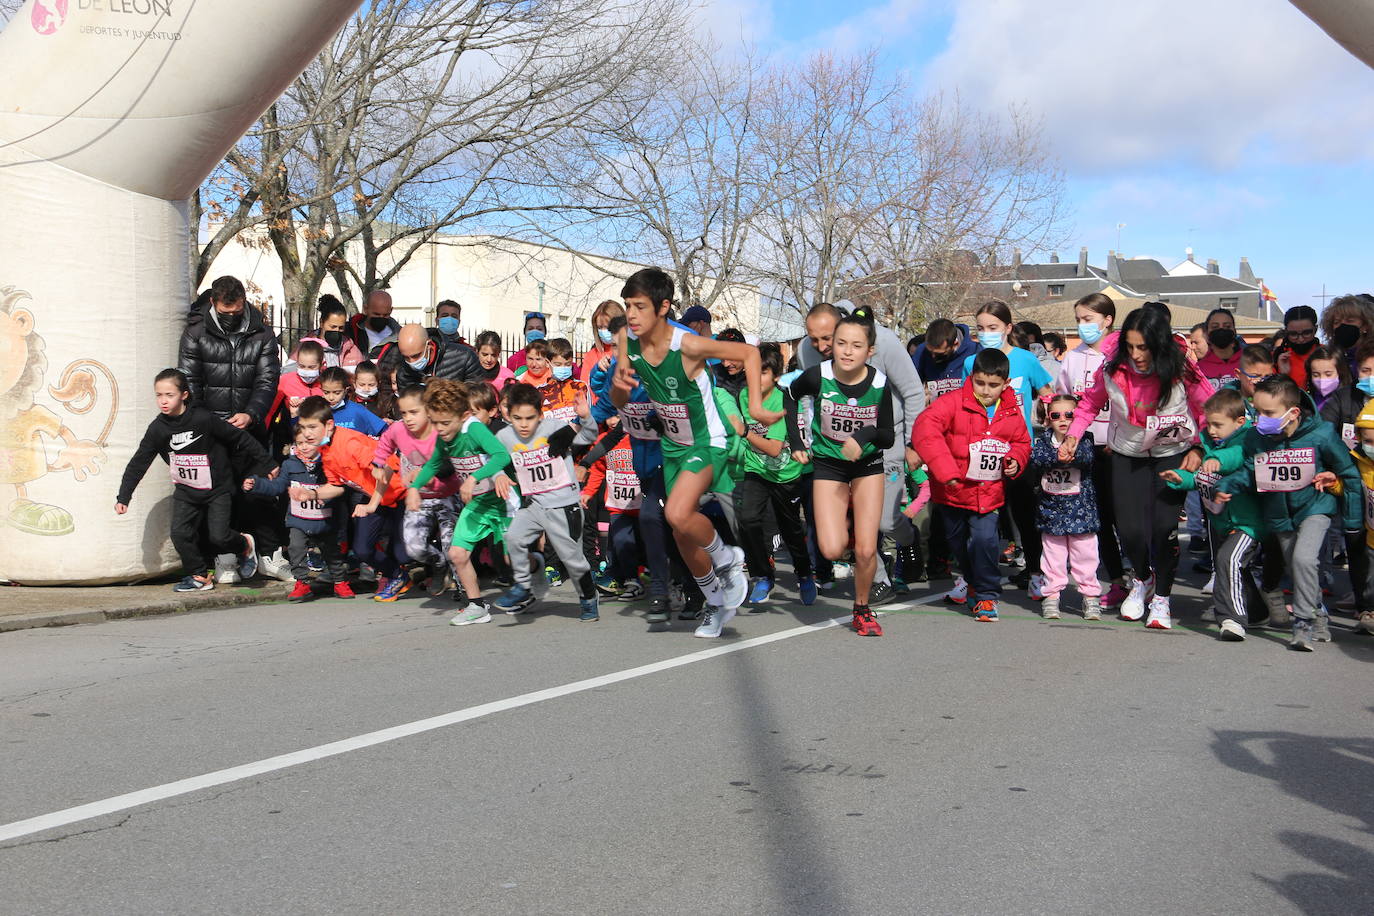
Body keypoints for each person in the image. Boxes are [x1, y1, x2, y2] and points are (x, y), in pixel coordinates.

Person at [613, 268, 769, 639]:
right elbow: (618, 399)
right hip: (673, 445)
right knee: (681, 531)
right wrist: (619, 388)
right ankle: (716, 603)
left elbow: (748, 354)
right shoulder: (626, 339)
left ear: (663, 307)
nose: (631, 315)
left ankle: (728, 557)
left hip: (707, 440)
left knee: (678, 512)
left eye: (639, 306)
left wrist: (757, 408)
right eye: (627, 306)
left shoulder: (689, 346)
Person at [1061, 306, 1213, 629]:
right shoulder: (1113, 368)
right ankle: (1142, 580)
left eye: (1143, 347)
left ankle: (1163, 599)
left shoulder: (1182, 368)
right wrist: (1073, 435)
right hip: (1127, 452)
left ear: (1159, 344)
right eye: (1130, 346)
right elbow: (1088, 403)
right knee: (1129, 530)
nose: (1136, 354)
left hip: (1171, 452)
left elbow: (1208, 408)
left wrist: (1200, 447)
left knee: (1162, 528)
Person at [1216, 375, 1362, 650]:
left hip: (1315, 508)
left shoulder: (1322, 434)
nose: (1260, 419)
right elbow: (1250, 469)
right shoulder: (1256, 436)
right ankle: (1318, 612)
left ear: (1293, 412)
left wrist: (1352, 523)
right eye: (1256, 411)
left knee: (1304, 559)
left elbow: (1348, 475)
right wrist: (1226, 485)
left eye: (1268, 413)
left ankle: (1303, 623)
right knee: (1296, 568)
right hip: (1279, 515)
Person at [796, 301, 926, 603]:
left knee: (884, 520)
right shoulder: (806, 350)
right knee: (850, 521)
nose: (821, 346)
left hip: (885, 439)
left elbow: (912, 391)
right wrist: (808, 439)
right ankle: (879, 576)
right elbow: (807, 396)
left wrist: (912, 442)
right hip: (834, 447)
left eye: (828, 338)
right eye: (814, 338)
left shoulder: (882, 342)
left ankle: (907, 538)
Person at [785, 310, 894, 635]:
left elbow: (887, 435)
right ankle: (850, 521)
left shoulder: (879, 383)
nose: (847, 351)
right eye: (841, 343)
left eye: (856, 345)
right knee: (831, 549)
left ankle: (862, 608)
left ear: (869, 351)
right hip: (830, 466)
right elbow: (789, 396)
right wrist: (796, 441)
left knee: (864, 548)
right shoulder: (818, 375)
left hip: (867, 467)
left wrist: (862, 436)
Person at [115, 369, 269, 592]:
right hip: (187, 490)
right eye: (159, 395)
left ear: (184, 395)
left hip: (217, 488)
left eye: (169, 395)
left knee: (219, 536)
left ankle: (245, 544)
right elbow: (139, 462)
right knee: (180, 533)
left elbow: (239, 437)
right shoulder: (158, 429)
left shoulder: (203, 419)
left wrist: (268, 463)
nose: (163, 401)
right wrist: (124, 496)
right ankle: (199, 576)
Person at [178, 275, 287, 582]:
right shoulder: (195, 332)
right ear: (213, 303)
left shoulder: (262, 333)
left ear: (243, 302)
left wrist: (251, 414)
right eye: (225, 313)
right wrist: (205, 422)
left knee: (258, 493)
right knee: (219, 496)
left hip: (249, 428)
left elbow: (267, 380)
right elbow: (190, 381)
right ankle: (225, 557)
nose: (231, 317)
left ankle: (269, 555)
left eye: (236, 311)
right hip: (211, 430)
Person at [914, 348, 1030, 621]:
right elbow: (925, 428)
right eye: (980, 383)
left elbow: (1021, 442)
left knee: (984, 540)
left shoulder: (1012, 410)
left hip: (988, 493)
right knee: (958, 544)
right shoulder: (952, 403)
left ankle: (987, 596)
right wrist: (944, 469)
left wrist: (1015, 459)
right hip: (952, 490)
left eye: (993, 385)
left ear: (1005, 383)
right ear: (971, 377)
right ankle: (972, 581)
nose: (986, 390)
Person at [963, 300, 1054, 599]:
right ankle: (976, 575)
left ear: (1008, 328)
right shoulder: (970, 363)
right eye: (981, 329)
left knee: (1024, 513)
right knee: (982, 514)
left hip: (1018, 447)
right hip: (982, 447)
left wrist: (1050, 416)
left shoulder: (1026, 360)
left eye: (993, 328)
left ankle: (1036, 571)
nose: (986, 333)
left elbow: (1047, 391)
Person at [405, 380, 514, 626]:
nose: (440, 429)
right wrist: (414, 488)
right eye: (434, 422)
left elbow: (501, 456)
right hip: (478, 504)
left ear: (464, 416)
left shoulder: (474, 429)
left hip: (503, 500)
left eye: (445, 423)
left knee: (511, 560)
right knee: (457, 553)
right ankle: (476, 606)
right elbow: (433, 464)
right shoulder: (445, 436)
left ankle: (534, 573)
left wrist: (473, 478)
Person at [491, 382, 600, 621]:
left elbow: (589, 436)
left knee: (573, 561)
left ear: (540, 414)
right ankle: (523, 586)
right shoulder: (506, 436)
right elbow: (494, 459)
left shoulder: (555, 427)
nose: (523, 424)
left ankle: (588, 596)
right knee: (513, 538)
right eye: (517, 418)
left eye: (529, 418)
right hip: (534, 505)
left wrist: (586, 417)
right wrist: (498, 475)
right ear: (509, 415)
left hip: (564, 505)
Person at [1162, 388, 1260, 640]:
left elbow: (1236, 456)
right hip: (1219, 520)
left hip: (1247, 522)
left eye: (1218, 425)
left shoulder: (1249, 438)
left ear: (1239, 422)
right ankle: (1259, 610)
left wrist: (1217, 458)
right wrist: (1180, 479)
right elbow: (1201, 477)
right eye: (1209, 424)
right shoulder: (1208, 442)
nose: (1212, 430)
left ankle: (1232, 619)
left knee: (1229, 560)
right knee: (1232, 567)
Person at [292, 396, 410, 602]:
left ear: (328, 425)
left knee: (404, 554)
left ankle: (444, 566)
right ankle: (397, 576)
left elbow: (386, 470)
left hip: (401, 496)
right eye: (302, 427)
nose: (306, 433)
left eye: (312, 427)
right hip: (375, 500)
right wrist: (312, 494)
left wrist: (372, 504)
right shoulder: (325, 448)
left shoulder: (350, 444)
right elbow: (336, 486)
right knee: (363, 549)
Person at [1056, 292, 1128, 607]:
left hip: (1121, 447)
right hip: (1085, 448)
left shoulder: (1122, 356)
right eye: (1079, 320)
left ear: (1107, 320)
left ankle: (1143, 576)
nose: (1083, 326)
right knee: (1098, 518)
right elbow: (1064, 399)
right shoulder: (1072, 358)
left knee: (1125, 518)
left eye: (1088, 319)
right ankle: (1116, 581)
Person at [736, 343, 815, 607]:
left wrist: (746, 432)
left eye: (763, 373)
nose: (756, 379)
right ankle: (763, 576)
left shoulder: (784, 400)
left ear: (776, 376)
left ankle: (804, 574)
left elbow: (772, 448)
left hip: (785, 474)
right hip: (756, 470)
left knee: (791, 529)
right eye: (753, 372)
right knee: (747, 519)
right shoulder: (743, 395)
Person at [244, 424, 352, 602]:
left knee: (331, 552)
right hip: (298, 520)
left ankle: (340, 581)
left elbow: (340, 489)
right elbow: (277, 486)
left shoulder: (329, 462)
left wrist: (327, 498)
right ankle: (302, 583)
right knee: (295, 549)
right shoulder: (290, 464)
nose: (304, 447)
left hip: (324, 520)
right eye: (299, 442)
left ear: (321, 441)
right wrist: (257, 484)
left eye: (309, 442)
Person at [373, 384, 461, 599]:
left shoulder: (440, 430)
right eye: (403, 413)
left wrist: (425, 472)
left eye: (414, 412)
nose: (408, 418)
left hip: (448, 495)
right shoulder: (398, 429)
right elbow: (385, 442)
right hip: (419, 498)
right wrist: (377, 465)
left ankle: (463, 586)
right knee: (414, 547)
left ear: (428, 410)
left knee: (455, 549)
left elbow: (451, 463)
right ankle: (439, 565)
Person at [1028, 394, 1101, 621]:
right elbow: (1037, 460)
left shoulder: (1086, 440)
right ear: (1048, 419)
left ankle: (1090, 598)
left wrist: (1070, 450)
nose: (1063, 419)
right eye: (1056, 415)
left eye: (1070, 415)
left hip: (1081, 513)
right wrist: (1059, 455)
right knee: (1052, 559)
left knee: (1085, 558)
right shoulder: (1042, 442)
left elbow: (1086, 458)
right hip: (1051, 512)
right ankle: (1051, 597)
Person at [1346, 401, 1374, 635]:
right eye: (1368, 441)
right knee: (1369, 575)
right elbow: (1348, 487)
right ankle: (1368, 611)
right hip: (1368, 531)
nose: (1372, 446)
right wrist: (1333, 483)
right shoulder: (1356, 460)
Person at [1321, 339, 1374, 450]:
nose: (1371, 376)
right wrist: (1344, 464)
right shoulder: (1342, 397)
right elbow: (1324, 432)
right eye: (1366, 370)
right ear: (1357, 370)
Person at [912, 317, 979, 405]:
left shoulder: (975, 351)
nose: (933, 356)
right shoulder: (921, 351)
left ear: (955, 344)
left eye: (940, 354)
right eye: (930, 352)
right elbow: (911, 385)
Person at [291, 295, 363, 373]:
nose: (337, 330)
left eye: (341, 328)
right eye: (333, 327)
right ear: (321, 323)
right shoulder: (304, 348)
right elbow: (288, 376)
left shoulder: (351, 350)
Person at [319, 367, 388, 436]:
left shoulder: (357, 410)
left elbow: (385, 431)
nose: (331, 398)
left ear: (345, 390)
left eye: (337, 393)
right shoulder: (318, 412)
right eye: (326, 392)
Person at [270, 339, 325, 423]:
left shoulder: (326, 381)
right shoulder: (286, 380)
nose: (306, 371)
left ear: (321, 364)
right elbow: (271, 410)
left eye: (311, 367)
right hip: (291, 431)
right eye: (302, 366)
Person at [428, 299, 484, 382]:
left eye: (454, 316)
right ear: (437, 320)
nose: (449, 319)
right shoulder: (426, 346)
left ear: (458, 322)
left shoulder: (468, 351)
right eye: (445, 315)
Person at [1321, 294, 1374, 376]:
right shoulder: (1327, 358)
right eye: (1337, 322)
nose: (1342, 326)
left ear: (1365, 325)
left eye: (1350, 321)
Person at [580, 300, 624, 392]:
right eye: (599, 327)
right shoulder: (591, 355)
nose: (603, 331)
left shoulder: (632, 350)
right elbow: (584, 387)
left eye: (607, 327)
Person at [1275, 305, 1320, 390]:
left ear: (1316, 329)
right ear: (1286, 332)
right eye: (1293, 334)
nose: (1300, 339)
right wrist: (1283, 376)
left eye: (1306, 333)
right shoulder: (1276, 357)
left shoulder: (1329, 354)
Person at [347, 290, 400, 358]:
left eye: (385, 315)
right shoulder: (351, 333)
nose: (381, 318)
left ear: (391, 310)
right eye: (376, 314)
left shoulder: (399, 336)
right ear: (366, 309)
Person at [1198, 308, 1242, 388]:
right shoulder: (1198, 370)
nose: (1221, 329)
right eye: (1215, 327)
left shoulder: (1248, 362)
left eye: (1227, 326)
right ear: (1207, 333)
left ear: (1234, 331)